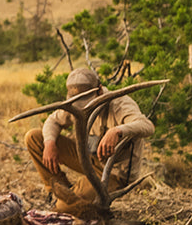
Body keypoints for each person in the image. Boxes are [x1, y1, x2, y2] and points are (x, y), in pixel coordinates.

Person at [25, 67, 154, 213]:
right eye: (78, 103)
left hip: (114, 173)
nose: (83, 107)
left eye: (87, 102)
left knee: (63, 208)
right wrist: (49, 143)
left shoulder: (120, 104)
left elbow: (147, 126)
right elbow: (53, 120)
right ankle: (59, 191)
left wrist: (117, 131)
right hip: (89, 160)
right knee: (34, 138)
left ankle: (69, 201)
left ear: (99, 90)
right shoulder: (75, 105)